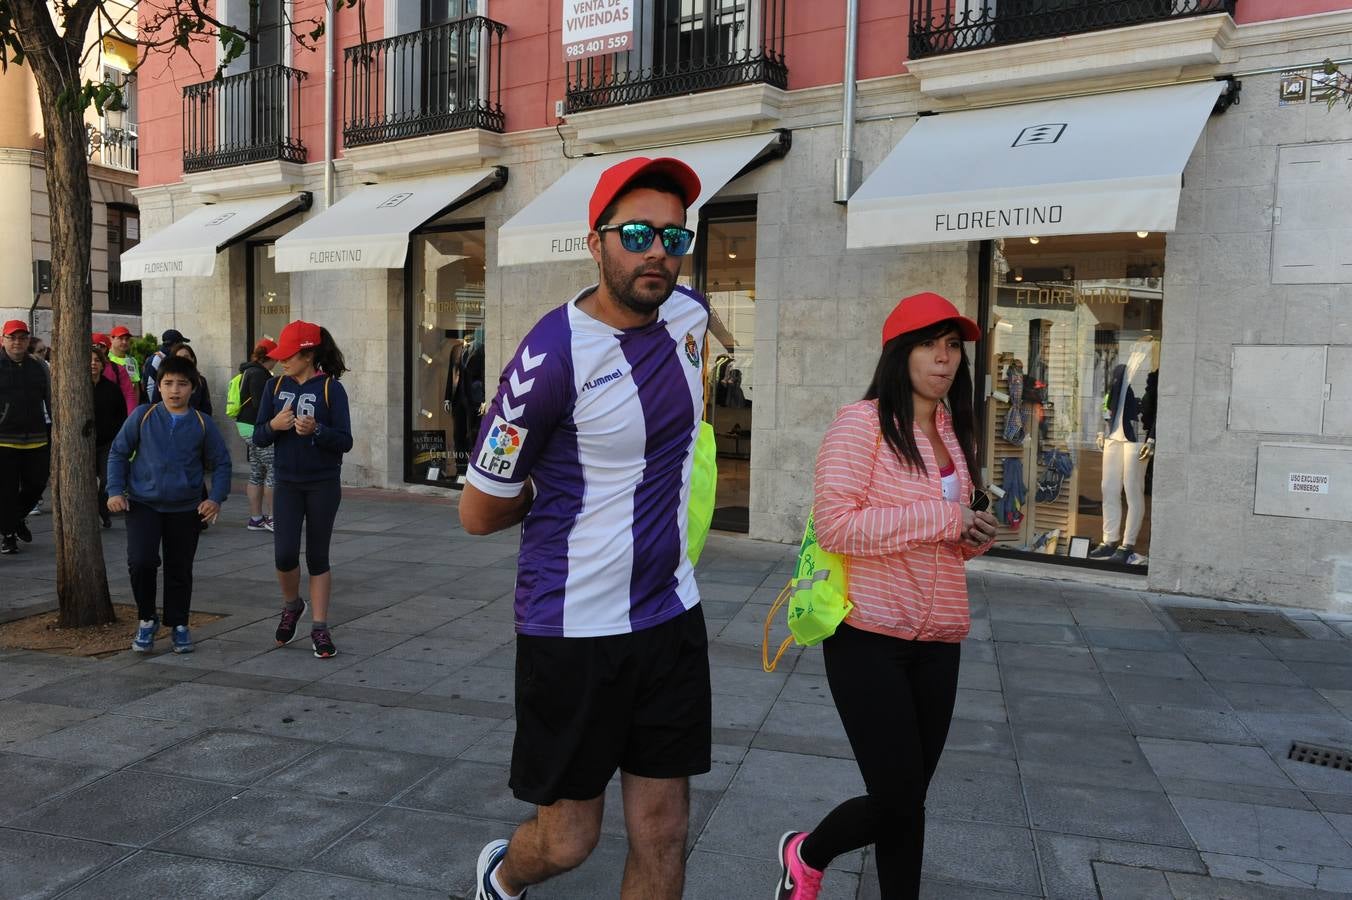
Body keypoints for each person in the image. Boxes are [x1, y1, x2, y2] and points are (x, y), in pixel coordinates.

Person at [459, 155, 710, 900]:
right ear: (595, 243)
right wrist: (561, 486)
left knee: (663, 835)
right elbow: (477, 511)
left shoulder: (691, 315)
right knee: (569, 841)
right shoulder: (548, 357)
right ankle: (502, 877)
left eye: (673, 234)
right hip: (571, 628)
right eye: (636, 233)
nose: (657, 250)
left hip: (670, 614)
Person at [774, 292, 999, 900]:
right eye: (930, 344)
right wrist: (943, 517)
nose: (944, 359)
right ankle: (806, 853)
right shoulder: (862, 423)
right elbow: (838, 525)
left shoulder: (954, 432)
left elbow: (949, 539)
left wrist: (974, 533)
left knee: (909, 803)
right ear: (899, 352)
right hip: (867, 635)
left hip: (939, 638)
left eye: (953, 347)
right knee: (898, 796)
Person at [106, 354, 232, 653]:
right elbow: (118, 453)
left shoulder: (203, 423)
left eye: (182, 384)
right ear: (159, 387)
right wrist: (114, 490)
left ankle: (178, 624)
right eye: (168, 383)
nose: (175, 390)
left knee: (179, 568)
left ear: (193, 387)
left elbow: (223, 463)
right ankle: (146, 619)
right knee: (141, 562)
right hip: (142, 504)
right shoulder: (142, 415)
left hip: (185, 508)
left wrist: (215, 498)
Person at [252, 320, 352, 659]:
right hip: (287, 483)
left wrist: (318, 431)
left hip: (323, 483)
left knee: (317, 556)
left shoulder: (331, 389)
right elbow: (260, 435)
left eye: (289, 355)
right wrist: (274, 425)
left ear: (308, 354)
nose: (282, 361)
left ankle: (320, 628)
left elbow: (345, 441)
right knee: (284, 554)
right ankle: (292, 605)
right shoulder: (274, 386)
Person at [0, 320, 51, 555]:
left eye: (22, 337)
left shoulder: (39, 366)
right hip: (5, 439)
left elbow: (50, 399)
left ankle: (16, 519)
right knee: (7, 490)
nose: (17, 342)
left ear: (28, 340)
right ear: (3, 340)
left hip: (37, 438)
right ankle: (8, 536)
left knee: (37, 484)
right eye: (12, 337)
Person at [236, 338, 278, 531]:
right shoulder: (259, 374)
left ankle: (256, 518)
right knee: (272, 471)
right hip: (257, 427)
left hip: (246, 426)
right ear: (270, 356)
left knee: (257, 471)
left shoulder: (248, 370)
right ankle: (272, 519)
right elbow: (262, 405)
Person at [91, 346, 129, 527]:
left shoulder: (112, 388)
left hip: (107, 443)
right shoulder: (76, 388)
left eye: (97, 360)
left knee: (108, 479)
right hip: (85, 443)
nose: (93, 364)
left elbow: (121, 414)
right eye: (89, 360)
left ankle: (102, 506)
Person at [93, 333, 136, 414]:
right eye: (93, 345)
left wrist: (131, 418)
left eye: (101, 346)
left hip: (112, 415)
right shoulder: (79, 369)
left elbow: (129, 394)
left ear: (107, 348)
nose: (96, 349)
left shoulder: (117, 369)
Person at [144, 328, 189, 403]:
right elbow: (150, 386)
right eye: (181, 343)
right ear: (175, 344)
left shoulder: (171, 357)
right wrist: (154, 406)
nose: (182, 346)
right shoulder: (157, 359)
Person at [169, 342, 212, 415]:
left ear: (193, 359)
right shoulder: (166, 380)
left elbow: (206, 408)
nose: (183, 361)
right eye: (179, 357)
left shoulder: (200, 381)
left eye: (186, 357)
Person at [107, 325, 142, 410]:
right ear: (111, 339)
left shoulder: (132, 360)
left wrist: (134, 409)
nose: (124, 342)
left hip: (129, 407)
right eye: (120, 338)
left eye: (127, 339)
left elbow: (135, 386)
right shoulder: (105, 359)